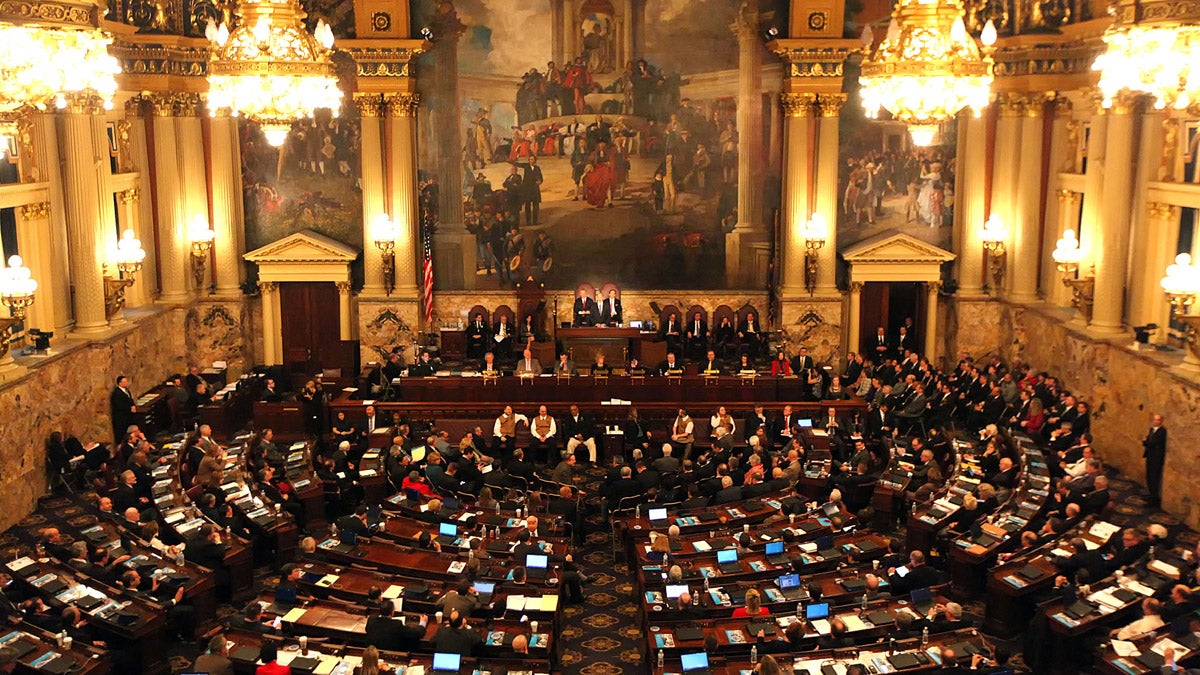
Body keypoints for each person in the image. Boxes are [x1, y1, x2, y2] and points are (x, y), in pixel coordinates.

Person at [1143, 413, 1167, 507]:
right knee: (1149, 477)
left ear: (1161, 421)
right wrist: (1146, 442)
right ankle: (1151, 495)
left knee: (1154, 478)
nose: (1156, 421)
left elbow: (1152, 443)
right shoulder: (1152, 429)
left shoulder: (1162, 431)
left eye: (1158, 420)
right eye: (1155, 419)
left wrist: (1145, 441)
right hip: (1150, 456)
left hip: (1156, 459)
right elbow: (1149, 442)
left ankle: (1154, 499)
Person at [109, 375, 137, 446]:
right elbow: (119, 405)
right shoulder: (116, 393)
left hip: (128, 417)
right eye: (124, 382)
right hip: (121, 418)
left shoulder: (127, 391)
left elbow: (130, 399)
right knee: (122, 436)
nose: (126, 383)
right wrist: (129, 408)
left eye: (126, 381)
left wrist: (133, 405)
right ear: (119, 383)